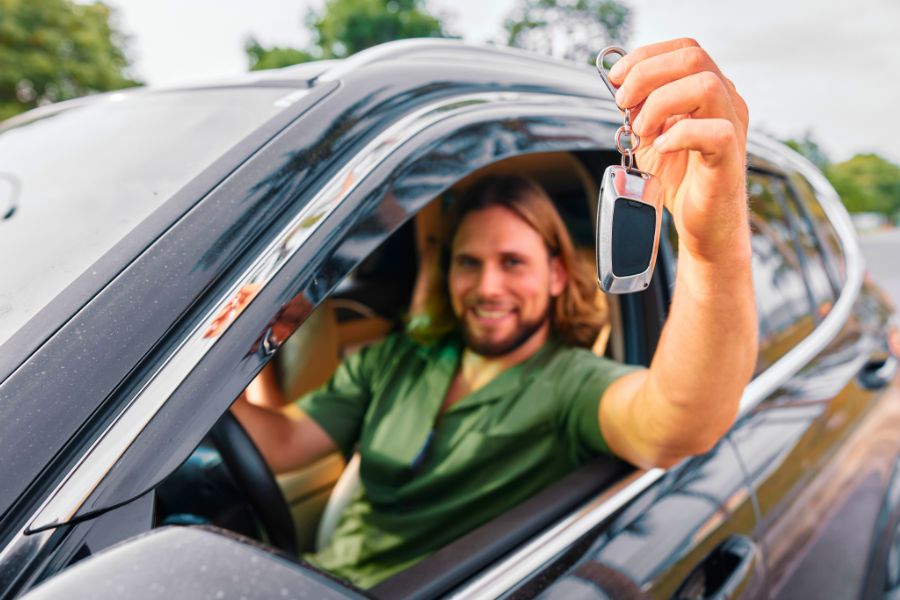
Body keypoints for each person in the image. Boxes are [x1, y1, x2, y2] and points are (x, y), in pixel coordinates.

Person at [231, 38, 757, 589]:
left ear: (557, 276)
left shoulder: (570, 384)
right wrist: (234, 348)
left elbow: (678, 424)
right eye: (469, 262)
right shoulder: (395, 359)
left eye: (512, 262)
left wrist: (710, 244)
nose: (487, 287)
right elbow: (283, 442)